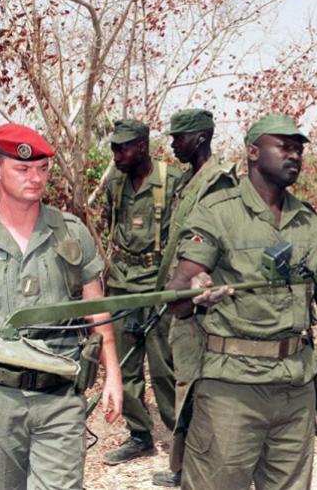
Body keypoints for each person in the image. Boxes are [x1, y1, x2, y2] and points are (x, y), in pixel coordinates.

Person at [167, 114, 317, 490]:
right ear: (253, 151)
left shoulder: (307, 221)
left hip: (294, 387)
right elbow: (179, 294)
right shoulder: (217, 212)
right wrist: (196, 288)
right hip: (232, 389)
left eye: (299, 149)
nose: (295, 156)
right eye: (284, 147)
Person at [0, 123, 122, 489]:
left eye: (42, 168)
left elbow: (97, 309)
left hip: (60, 397)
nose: (35, 178)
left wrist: (112, 373)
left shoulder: (71, 233)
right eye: (22, 168)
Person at [151, 109, 237, 488]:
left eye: (178, 138)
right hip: (183, 300)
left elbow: (218, 247)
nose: (173, 145)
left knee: (199, 391)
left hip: (203, 307)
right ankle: (182, 468)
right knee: (186, 385)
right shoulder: (190, 180)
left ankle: (198, 471)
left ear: (200, 138)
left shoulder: (217, 183)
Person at [102, 118, 179, 465]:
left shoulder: (172, 181)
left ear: (143, 147)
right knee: (125, 363)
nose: (117, 155)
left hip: (158, 284)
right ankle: (139, 435)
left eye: (123, 148)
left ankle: (181, 438)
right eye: (114, 148)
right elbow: (111, 225)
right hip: (122, 282)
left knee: (165, 366)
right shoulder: (115, 183)